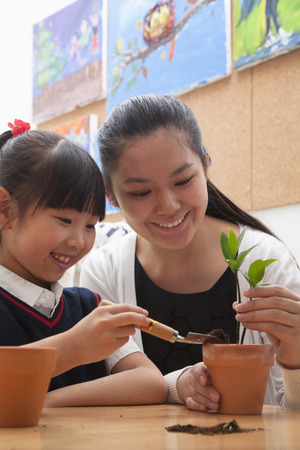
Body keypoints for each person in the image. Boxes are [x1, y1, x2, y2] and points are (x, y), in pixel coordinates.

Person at [80, 94, 300, 411]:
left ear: (205, 167)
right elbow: (104, 395)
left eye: (183, 180)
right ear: (110, 194)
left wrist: (294, 357)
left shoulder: (266, 261)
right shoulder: (104, 272)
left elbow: (290, 418)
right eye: (141, 191)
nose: (169, 206)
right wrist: (176, 386)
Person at [0, 120, 167, 407]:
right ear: (6, 210)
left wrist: (49, 402)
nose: (78, 241)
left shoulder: (88, 307)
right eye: (65, 220)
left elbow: (150, 382)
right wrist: (72, 348)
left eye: (90, 225)